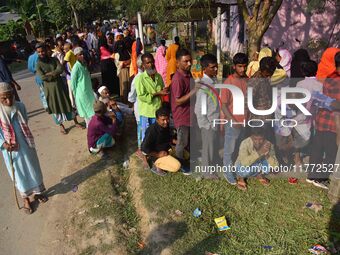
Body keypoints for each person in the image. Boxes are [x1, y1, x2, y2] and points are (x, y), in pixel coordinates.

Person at [0, 82, 47, 214]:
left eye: (10, 96)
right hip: (11, 150)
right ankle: (25, 199)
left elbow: (25, 121)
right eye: (4, 98)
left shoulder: (20, 106)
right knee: (19, 174)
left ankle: (37, 192)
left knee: (33, 168)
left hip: (26, 144)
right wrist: (4, 144)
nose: (9, 100)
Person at [307, 51, 340, 189]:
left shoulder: (330, 76)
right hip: (331, 122)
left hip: (321, 119)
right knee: (331, 152)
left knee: (317, 149)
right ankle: (320, 178)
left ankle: (312, 176)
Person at [36, 44, 80, 134]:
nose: (41, 53)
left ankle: (76, 122)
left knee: (67, 102)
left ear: (46, 50)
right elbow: (42, 77)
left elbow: (60, 69)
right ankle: (61, 126)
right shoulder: (38, 64)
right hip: (50, 90)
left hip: (60, 86)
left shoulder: (54, 59)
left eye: (42, 51)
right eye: (39, 52)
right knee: (55, 106)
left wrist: (50, 73)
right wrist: (54, 74)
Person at [221, 53, 249, 184]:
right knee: (229, 150)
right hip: (233, 123)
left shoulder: (247, 79)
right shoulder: (229, 82)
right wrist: (233, 121)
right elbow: (224, 105)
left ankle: (239, 171)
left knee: (240, 149)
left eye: (244, 66)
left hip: (244, 122)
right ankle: (227, 172)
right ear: (234, 67)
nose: (242, 69)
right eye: (239, 66)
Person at [171, 49, 200, 174]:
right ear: (178, 63)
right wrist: (195, 91)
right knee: (181, 142)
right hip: (182, 116)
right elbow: (178, 101)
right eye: (185, 61)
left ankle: (190, 159)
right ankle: (181, 164)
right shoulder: (178, 78)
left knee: (189, 139)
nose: (189, 64)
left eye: (190, 61)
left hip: (190, 113)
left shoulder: (188, 74)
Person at [194, 54, 220, 179]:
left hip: (214, 120)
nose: (215, 69)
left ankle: (211, 167)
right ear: (204, 69)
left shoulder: (213, 81)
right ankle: (207, 172)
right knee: (207, 147)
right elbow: (198, 109)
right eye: (212, 67)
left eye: (216, 67)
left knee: (212, 146)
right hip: (208, 122)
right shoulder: (204, 85)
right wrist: (206, 125)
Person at [135, 53, 168, 141]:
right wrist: (157, 93)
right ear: (143, 65)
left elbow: (161, 89)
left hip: (157, 110)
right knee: (147, 135)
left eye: (152, 62)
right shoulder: (140, 79)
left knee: (157, 134)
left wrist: (165, 91)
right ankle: (145, 152)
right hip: (147, 112)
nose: (151, 65)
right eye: (148, 63)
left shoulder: (159, 76)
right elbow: (142, 96)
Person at [141, 107, 181, 176]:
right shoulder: (151, 130)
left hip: (167, 150)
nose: (166, 122)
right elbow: (144, 148)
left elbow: (167, 138)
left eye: (167, 119)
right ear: (157, 119)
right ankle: (157, 165)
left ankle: (168, 158)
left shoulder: (165, 126)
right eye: (163, 120)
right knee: (177, 166)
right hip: (157, 155)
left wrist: (176, 142)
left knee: (186, 155)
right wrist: (158, 154)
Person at [247, 57, 277, 143]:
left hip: (267, 118)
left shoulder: (265, 79)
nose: (270, 75)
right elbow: (248, 99)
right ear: (263, 69)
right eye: (269, 73)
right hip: (258, 119)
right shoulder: (255, 80)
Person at [71, 47, 96, 127]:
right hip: (82, 94)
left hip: (88, 91)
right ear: (76, 56)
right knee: (87, 115)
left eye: (83, 54)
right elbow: (73, 84)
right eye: (80, 55)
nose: (82, 56)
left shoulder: (85, 64)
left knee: (92, 111)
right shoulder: (76, 67)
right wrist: (76, 95)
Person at [128, 55, 144, 155]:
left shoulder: (141, 77)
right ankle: (141, 148)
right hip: (141, 108)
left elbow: (131, 97)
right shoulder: (137, 79)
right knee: (141, 129)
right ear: (142, 65)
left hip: (145, 109)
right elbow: (131, 97)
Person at [27, 44, 48, 110]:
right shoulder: (44, 55)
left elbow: (30, 68)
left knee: (42, 91)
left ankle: (46, 105)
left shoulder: (31, 57)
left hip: (38, 77)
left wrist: (35, 71)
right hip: (46, 76)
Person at [113, 33, 131, 102]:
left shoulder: (126, 52)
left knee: (128, 85)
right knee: (124, 86)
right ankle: (125, 100)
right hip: (122, 71)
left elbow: (130, 60)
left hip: (127, 70)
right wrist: (126, 63)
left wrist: (126, 62)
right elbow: (119, 64)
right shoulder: (117, 54)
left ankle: (128, 99)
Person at [63, 42, 77, 108]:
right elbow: (65, 63)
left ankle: (73, 105)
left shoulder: (69, 53)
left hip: (71, 74)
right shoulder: (71, 53)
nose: (64, 50)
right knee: (73, 90)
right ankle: (74, 105)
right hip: (72, 74)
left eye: (65, 49)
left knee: (71, 90)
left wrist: (67, 72)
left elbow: (63, 63)